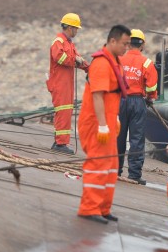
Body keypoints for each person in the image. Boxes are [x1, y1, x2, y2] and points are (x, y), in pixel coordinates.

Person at [76, 24, 131, 224]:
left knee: (110, 165)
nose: (127, 48)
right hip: (95, 122)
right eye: (124, 44)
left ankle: (103, 207)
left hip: (107, 119)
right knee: (98, 164)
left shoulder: (116, 62)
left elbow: (112, 96)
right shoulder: (101, 63)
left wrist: (113, 118)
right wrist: (102, 124)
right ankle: (89, 208)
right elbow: (97, 96)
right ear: (113, 41)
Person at [117, 29, 158, 184]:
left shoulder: (119, 59)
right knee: (136, 138)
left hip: (120, 100)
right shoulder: (146, 63)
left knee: (118, 137)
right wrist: (150, 98)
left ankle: (115, 170)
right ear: (142, 45)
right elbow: (151, 87)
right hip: (137, 102)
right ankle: (134, 174)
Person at [47, 12, 89, 154]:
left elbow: (77, 59)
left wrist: (89, 68)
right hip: (60, 83)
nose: (77, 31)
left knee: (65, 111)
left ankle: (60, 141)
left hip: (66, 83)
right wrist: (75, 60)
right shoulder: (58, 42)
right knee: (63, 111)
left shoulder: (68, 44)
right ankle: (60, 143)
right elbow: (60, 57)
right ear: (70, 28)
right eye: (76, 28)